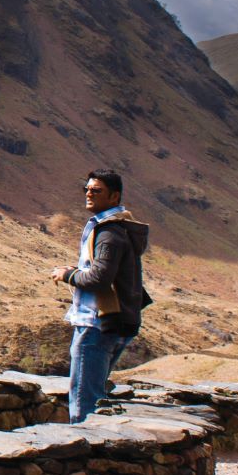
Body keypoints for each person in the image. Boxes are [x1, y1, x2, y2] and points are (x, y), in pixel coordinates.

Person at [50, 170, 151, 423]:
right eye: (87, 189)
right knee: (93, 394)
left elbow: (99, 279)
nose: (88, 194)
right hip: (114, 322)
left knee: (85, 401)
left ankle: (84, 452)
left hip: (96, 323)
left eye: (96, 190)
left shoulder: (108, 234)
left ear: (114, 196)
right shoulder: (119, 229)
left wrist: (68, 276)